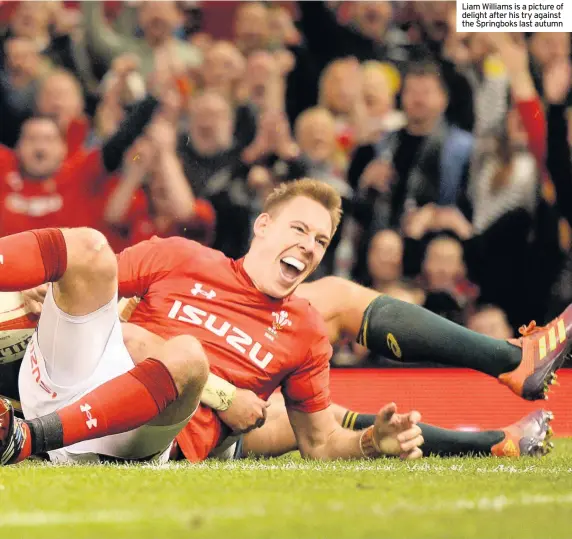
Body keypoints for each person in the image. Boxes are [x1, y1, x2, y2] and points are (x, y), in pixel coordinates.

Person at [0, 179, 425, 465]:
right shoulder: (183, 256)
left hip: (140, 436)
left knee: (187, 354)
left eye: (321, 240)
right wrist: (45, 285)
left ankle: (23, 440)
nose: (308, 246)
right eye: (299, 228)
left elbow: (318, 441)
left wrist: (371, 442)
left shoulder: (307, 332)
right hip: (71, 374)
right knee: (90, 247)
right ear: (263, 226)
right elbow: (97, 284)